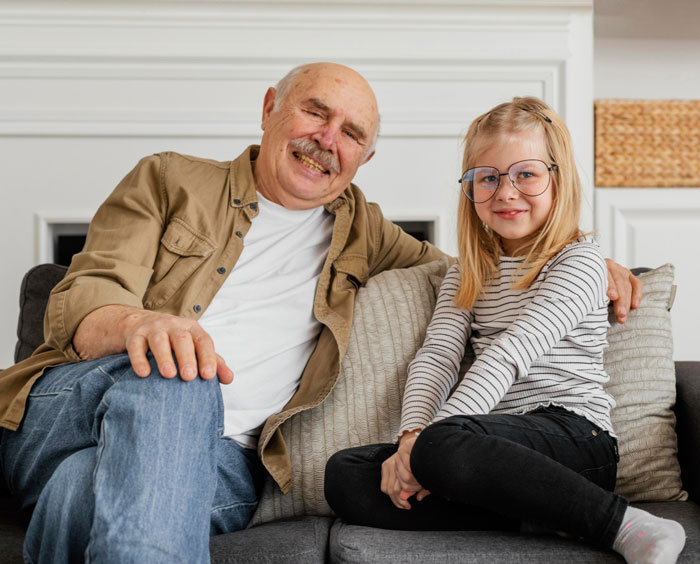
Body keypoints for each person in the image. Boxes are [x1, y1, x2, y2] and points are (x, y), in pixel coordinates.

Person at [0, 63, 639, 564]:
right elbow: (81, 302)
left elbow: (476, 260)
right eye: (315, 111)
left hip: (225, 460)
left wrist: (575, 255)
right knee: (182, 377)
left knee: (80, 491)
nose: (328, 140)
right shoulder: (169, 180)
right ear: (270, 108)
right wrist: (145, 326)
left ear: (365, 158)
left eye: (353, 133)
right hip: (78, 403)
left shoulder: (363, 230)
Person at [324, 97, 684, 564]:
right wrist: (410, 434)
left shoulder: (580, 262)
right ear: (469, 188)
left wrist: (423, 447)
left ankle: (623, 524)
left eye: (526, 174)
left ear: (558, 178)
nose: (505, 192)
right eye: (487, 177)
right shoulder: (467, 272)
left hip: (576, 439)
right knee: (345, 474)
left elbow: (509, 354)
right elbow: (437, 356)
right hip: (493, 451)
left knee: (440, 445)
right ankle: (541, 513)